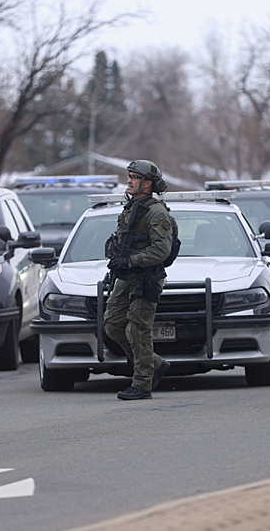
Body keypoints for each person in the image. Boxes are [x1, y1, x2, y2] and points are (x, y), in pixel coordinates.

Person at [103, 160, 176, 400]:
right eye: (129, 176)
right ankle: (153, 363)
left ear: (148, 183)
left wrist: (131, 261)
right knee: (113, 324)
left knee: (138, 329)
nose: (129, 180)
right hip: (127, 278)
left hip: (147, 278)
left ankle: (142, 383)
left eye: (134, 177)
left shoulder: (155, 211)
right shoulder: (132, 208)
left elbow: (161, 250)